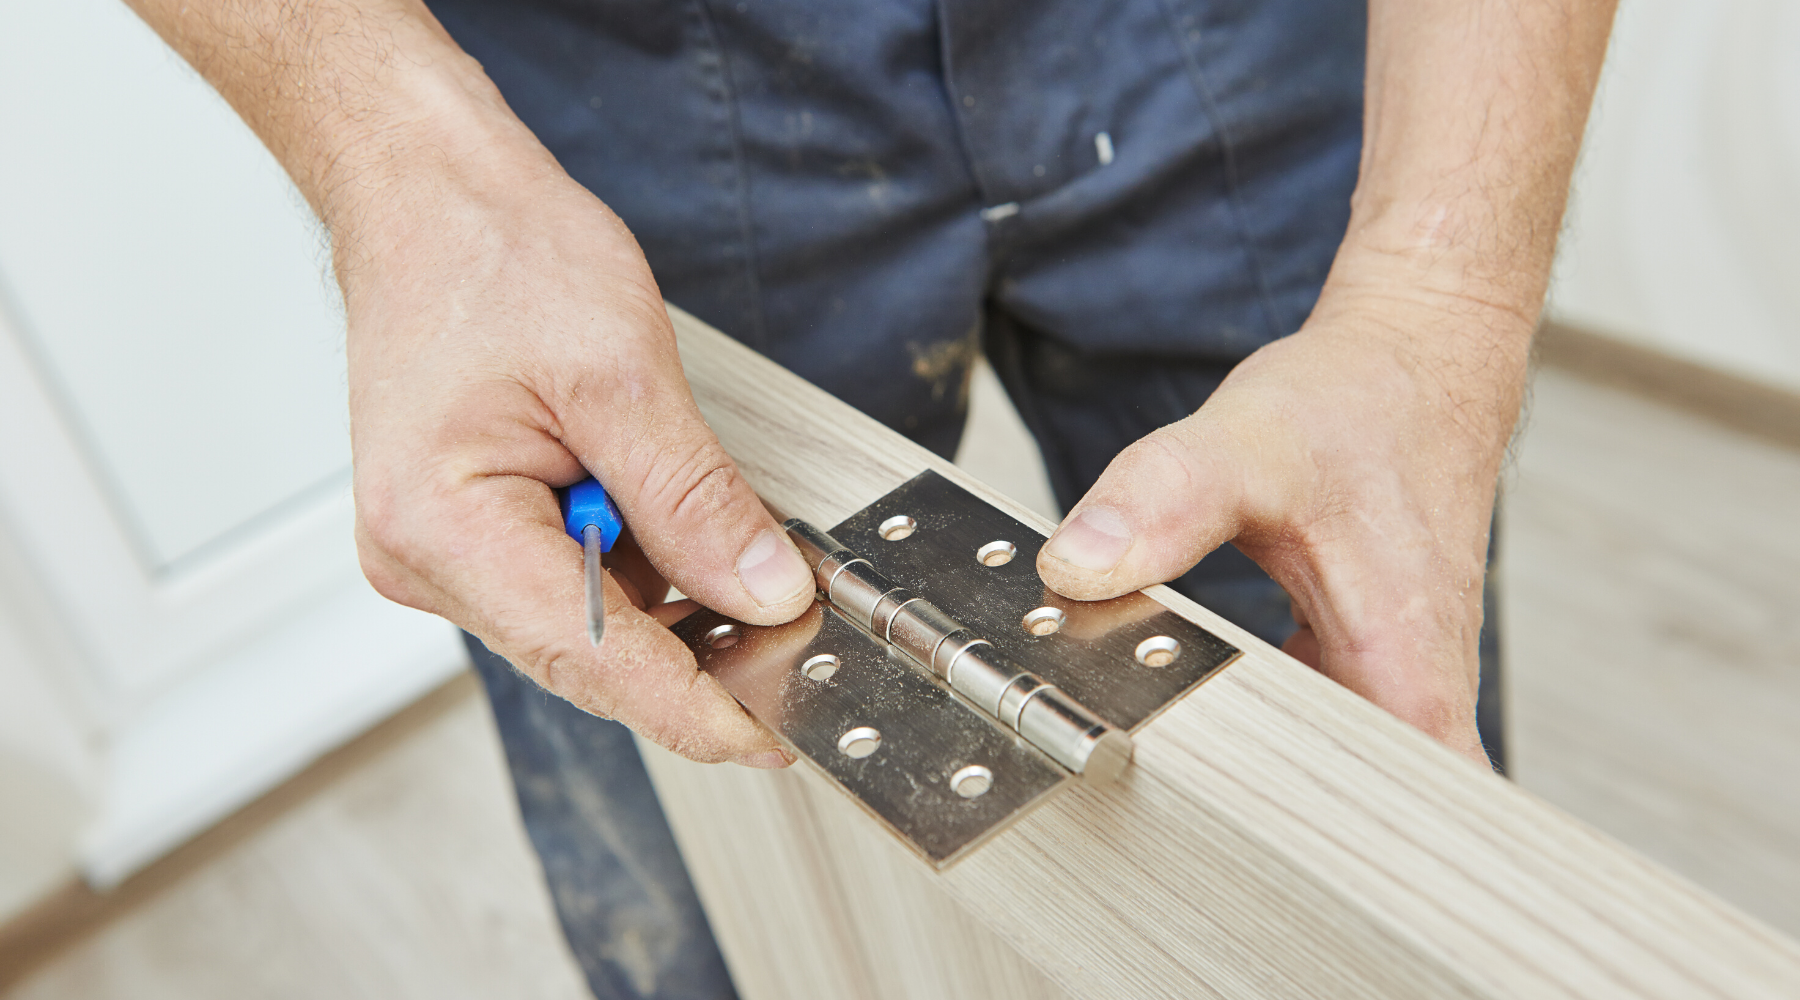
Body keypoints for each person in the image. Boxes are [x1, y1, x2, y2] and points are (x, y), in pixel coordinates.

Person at [122, 0, 1617, 995]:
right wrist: (405, 162)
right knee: (713, 852)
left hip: (1223, 30)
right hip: (594, 60)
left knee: (1341, 802)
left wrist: (1436, 299)